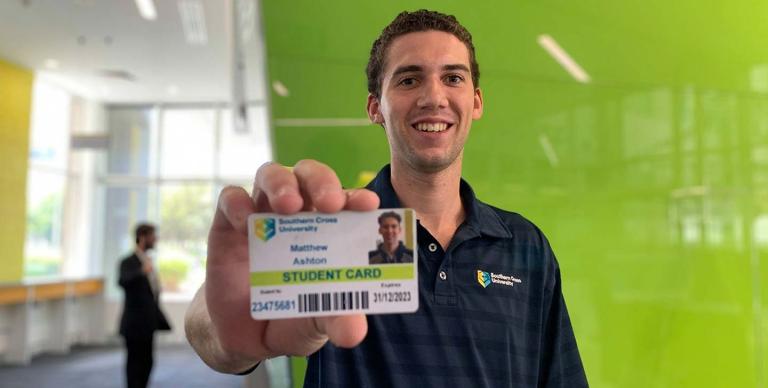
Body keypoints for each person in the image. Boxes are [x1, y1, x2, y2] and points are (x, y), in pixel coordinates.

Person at [185, 9, 588, 387]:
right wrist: (224, 334)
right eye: (409, 79)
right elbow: (219, 324)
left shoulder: (526, 247)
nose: (434, 96)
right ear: (375, 107)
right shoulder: (333, 231)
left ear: (476, 102)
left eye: (453, 78)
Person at [118, 223, 171, 388]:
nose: (155, 239)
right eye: (152, 236)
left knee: (147, 362)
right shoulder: (128, 262)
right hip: (133, 324)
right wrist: (142, 271)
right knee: (134, 363)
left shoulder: (149, 261)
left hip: (148, 323)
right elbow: (122, 281)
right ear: (142, 237)